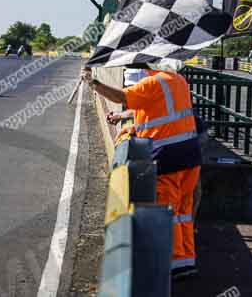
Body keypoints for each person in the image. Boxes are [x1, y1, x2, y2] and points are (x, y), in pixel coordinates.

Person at [86, 67, 201, 280]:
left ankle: (175, 263)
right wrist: (130, 120)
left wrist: (94, 83)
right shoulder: (177, 80)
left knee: (168, 210)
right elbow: (152, 108)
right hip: (190, 155)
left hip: (168, 157)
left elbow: (123, 97)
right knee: (183, 209)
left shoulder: (151, 83)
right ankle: (187, 259)